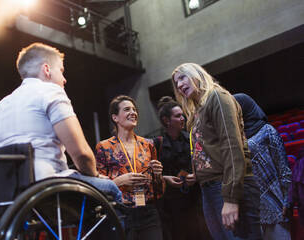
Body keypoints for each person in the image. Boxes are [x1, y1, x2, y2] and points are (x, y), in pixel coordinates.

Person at [0, 42, 121, 201]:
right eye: (61, 71)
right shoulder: (52, 92)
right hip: (47, 186)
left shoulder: (2, 105)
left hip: (6, 192)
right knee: (111, 189)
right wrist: (96, 175)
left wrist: (0, 174)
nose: (64, 79)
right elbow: (82, 155)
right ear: (46, 70)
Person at [172, 63, 262, 239]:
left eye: (183, 77)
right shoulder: (197, 111)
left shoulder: (217, 97)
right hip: (209, 188)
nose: (180, 85)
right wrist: (198, 173)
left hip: (226, 186)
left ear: (197, 74)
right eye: (176, 83)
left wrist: (230, 198)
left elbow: (232, 147)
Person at [95, 95, 165, 240]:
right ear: (115, 118)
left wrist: (158, 175)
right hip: (121, 213)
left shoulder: (148, 144)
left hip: (148, 213)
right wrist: (119, 181)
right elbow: (98, 189)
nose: (133, 112)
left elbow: (158, 190)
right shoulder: (104, 147)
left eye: (134, 109)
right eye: (127, 109)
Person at [234, 93, 292, 240]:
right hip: (252, 208)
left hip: (275, 203)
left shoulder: (267, 130)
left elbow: (283, 170)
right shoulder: (235, 139)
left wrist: (287, 200)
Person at [153, 96, 211, 240]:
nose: (183, 118)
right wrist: (165, 178)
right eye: (178, 116)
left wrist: (196, 176)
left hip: (196, 200)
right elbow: (152, 175)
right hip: (172, 206)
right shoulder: (156, 144)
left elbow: (205, 164)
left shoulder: (191, 139)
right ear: (167, 120)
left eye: (182, 115)